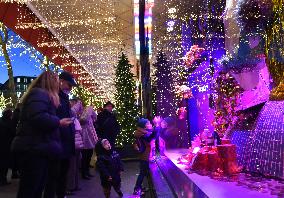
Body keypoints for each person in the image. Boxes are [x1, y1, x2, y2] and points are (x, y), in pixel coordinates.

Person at [11, 71, 73, 198]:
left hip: (38, 147)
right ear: (50, 81)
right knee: (31, 188)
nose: (58, 84)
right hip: (33, 148)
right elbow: (37, 117)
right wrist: (59, 122)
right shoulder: (39, 93)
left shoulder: (40, 95)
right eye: (56, 81)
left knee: (36, 187)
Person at [44, 71, 77, 198]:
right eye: (69, 84)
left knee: (62, 174)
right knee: (54, 177)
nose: (70, 88)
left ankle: (61, 194)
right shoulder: (54, 96)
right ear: (61, 81)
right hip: (58, 143)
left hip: (65, 143)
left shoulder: (63, 98)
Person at [133, 118, 157, 195]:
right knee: (142, 173)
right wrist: (156, 126)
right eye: (149, 123)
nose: (150, 124)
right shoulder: (142, 135)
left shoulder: (142, 132)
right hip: (144, 156)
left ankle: (140, 186)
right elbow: (150, 138)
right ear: (144, 126)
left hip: (144, 155)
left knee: (144, 172)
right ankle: (136, 189)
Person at [66, 99, 84, 195]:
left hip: (77, 145)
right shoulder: (71, 114)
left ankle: (74, 185)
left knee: (75, 166)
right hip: (73, 144)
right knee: (72, 167)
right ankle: (70, 187)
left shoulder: (74, 116)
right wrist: (78, 103)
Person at [80, 104, 98, 179]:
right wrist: (89, 110)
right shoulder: (81, 114)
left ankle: (87, 171)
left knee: (89, 155)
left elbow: (95, 118)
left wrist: (92, 111)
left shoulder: (89, 113)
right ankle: (84, 173)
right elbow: (83, 120)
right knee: (85, 156)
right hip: (85, 136)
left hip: (90, 136)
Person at [0, 108, 13, 186]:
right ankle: (3, 179)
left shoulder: (1, 121)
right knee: (4, 163)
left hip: (2, 145)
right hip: (7, 145)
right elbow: (12, 133)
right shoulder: (10, 123)